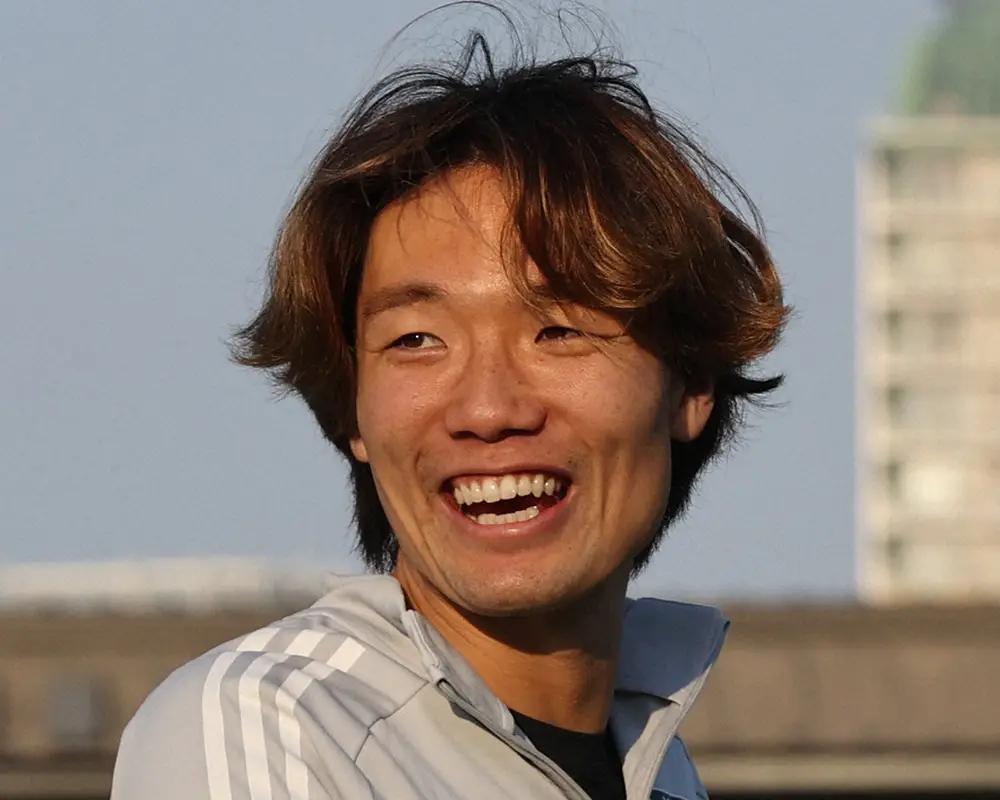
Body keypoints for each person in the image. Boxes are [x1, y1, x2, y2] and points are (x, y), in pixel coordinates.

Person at [110, 23, 787, 800]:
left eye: (560, 330)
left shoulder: (661, 771)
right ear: (352, 412)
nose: (489, 409)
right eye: (417, 340)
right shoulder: (270, 726)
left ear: (690, 385)